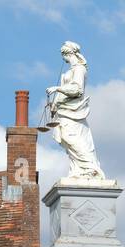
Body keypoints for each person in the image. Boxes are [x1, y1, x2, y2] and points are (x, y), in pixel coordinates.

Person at [45, 41, 106, 180]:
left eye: (63, 55)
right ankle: (79, 169)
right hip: (65, 110)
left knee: (71, 137)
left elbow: (77, 89)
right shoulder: (70, 71)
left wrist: (57, 88)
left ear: (68, 53)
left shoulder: (79, 69)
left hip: (73, 112)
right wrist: (54, 104)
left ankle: (89, 168)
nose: (63, 59)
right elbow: (65, 93)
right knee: (68, 141)